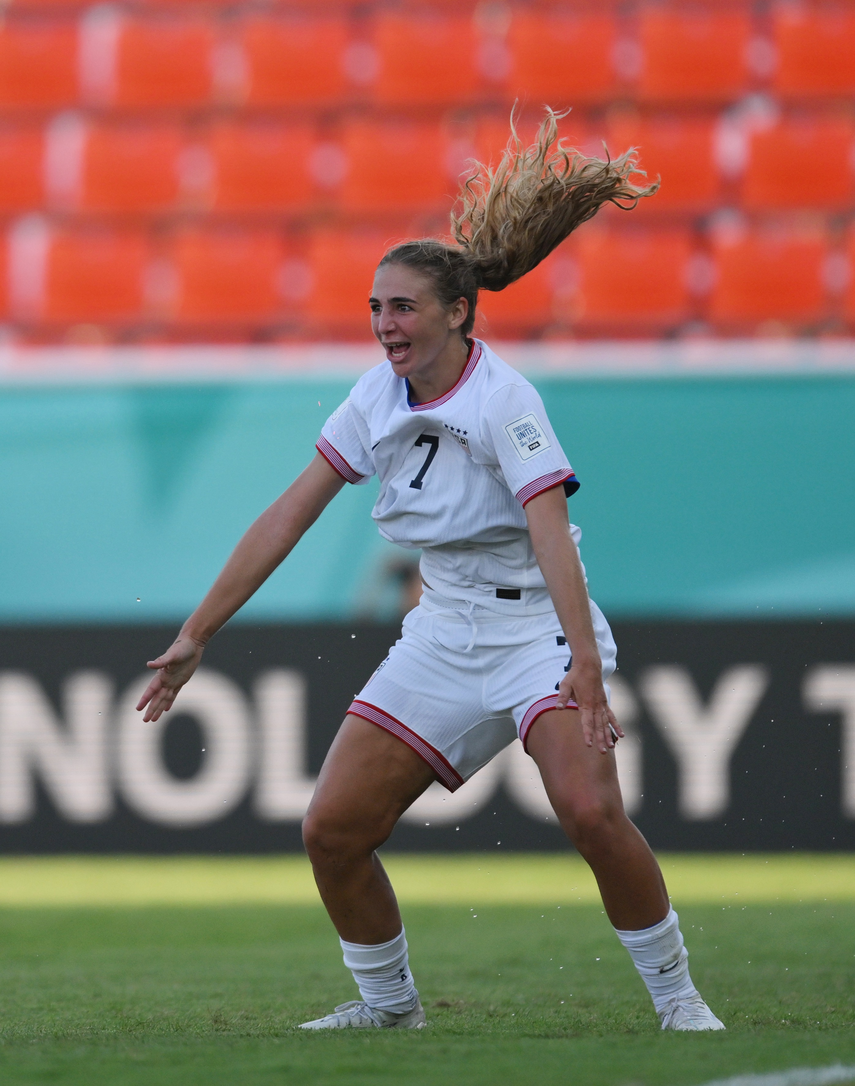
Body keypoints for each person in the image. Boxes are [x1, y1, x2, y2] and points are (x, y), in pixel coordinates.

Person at [137, 109, 724, 1033]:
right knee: (331, 831)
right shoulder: (375, 395)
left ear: (456, 312)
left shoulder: (504, 398)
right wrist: (195, 635)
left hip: (535, 629)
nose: (384, 325)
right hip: (444, 630)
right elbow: (289, 514)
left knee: (589, 811)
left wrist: (582, 662)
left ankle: (678, 999)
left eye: (402, 307)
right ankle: (389, 1009)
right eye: (376, 307)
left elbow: (550, 532)